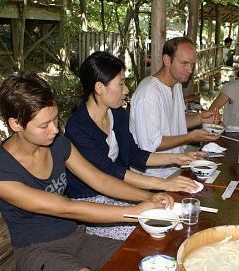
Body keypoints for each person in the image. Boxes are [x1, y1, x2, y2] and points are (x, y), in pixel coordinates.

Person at [0, 74, 172, 271]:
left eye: (55, 119)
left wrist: (147, 197)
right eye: (44, 124)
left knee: (138, 265)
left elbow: (100, 180)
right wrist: (133, 213)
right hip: (38, 253)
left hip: (77, 238)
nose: (55, 129)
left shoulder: (58, 144)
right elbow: (65, 207)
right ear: (15, 123)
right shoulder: (1, 176)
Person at [65, 51, 200, 240]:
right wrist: (161, 185)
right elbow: (108, 172)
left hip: (117, 191)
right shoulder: (78, 127)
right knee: (151, 230)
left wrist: (177, 158)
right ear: (99, 88)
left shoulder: (117, 114)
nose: (126, 90)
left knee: (173, 221)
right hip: (89, 201)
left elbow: (134, 154)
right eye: (121, 83)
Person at [129, 37, 219, 178]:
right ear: (167, 60)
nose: (189, 70)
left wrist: (200, 118)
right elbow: (152, 144)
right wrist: (189, 137)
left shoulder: (176, 84)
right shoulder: (148, 93)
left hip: (177, 166)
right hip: (154, 176)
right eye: (184, 63)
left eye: (192, 64)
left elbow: (175, 121)